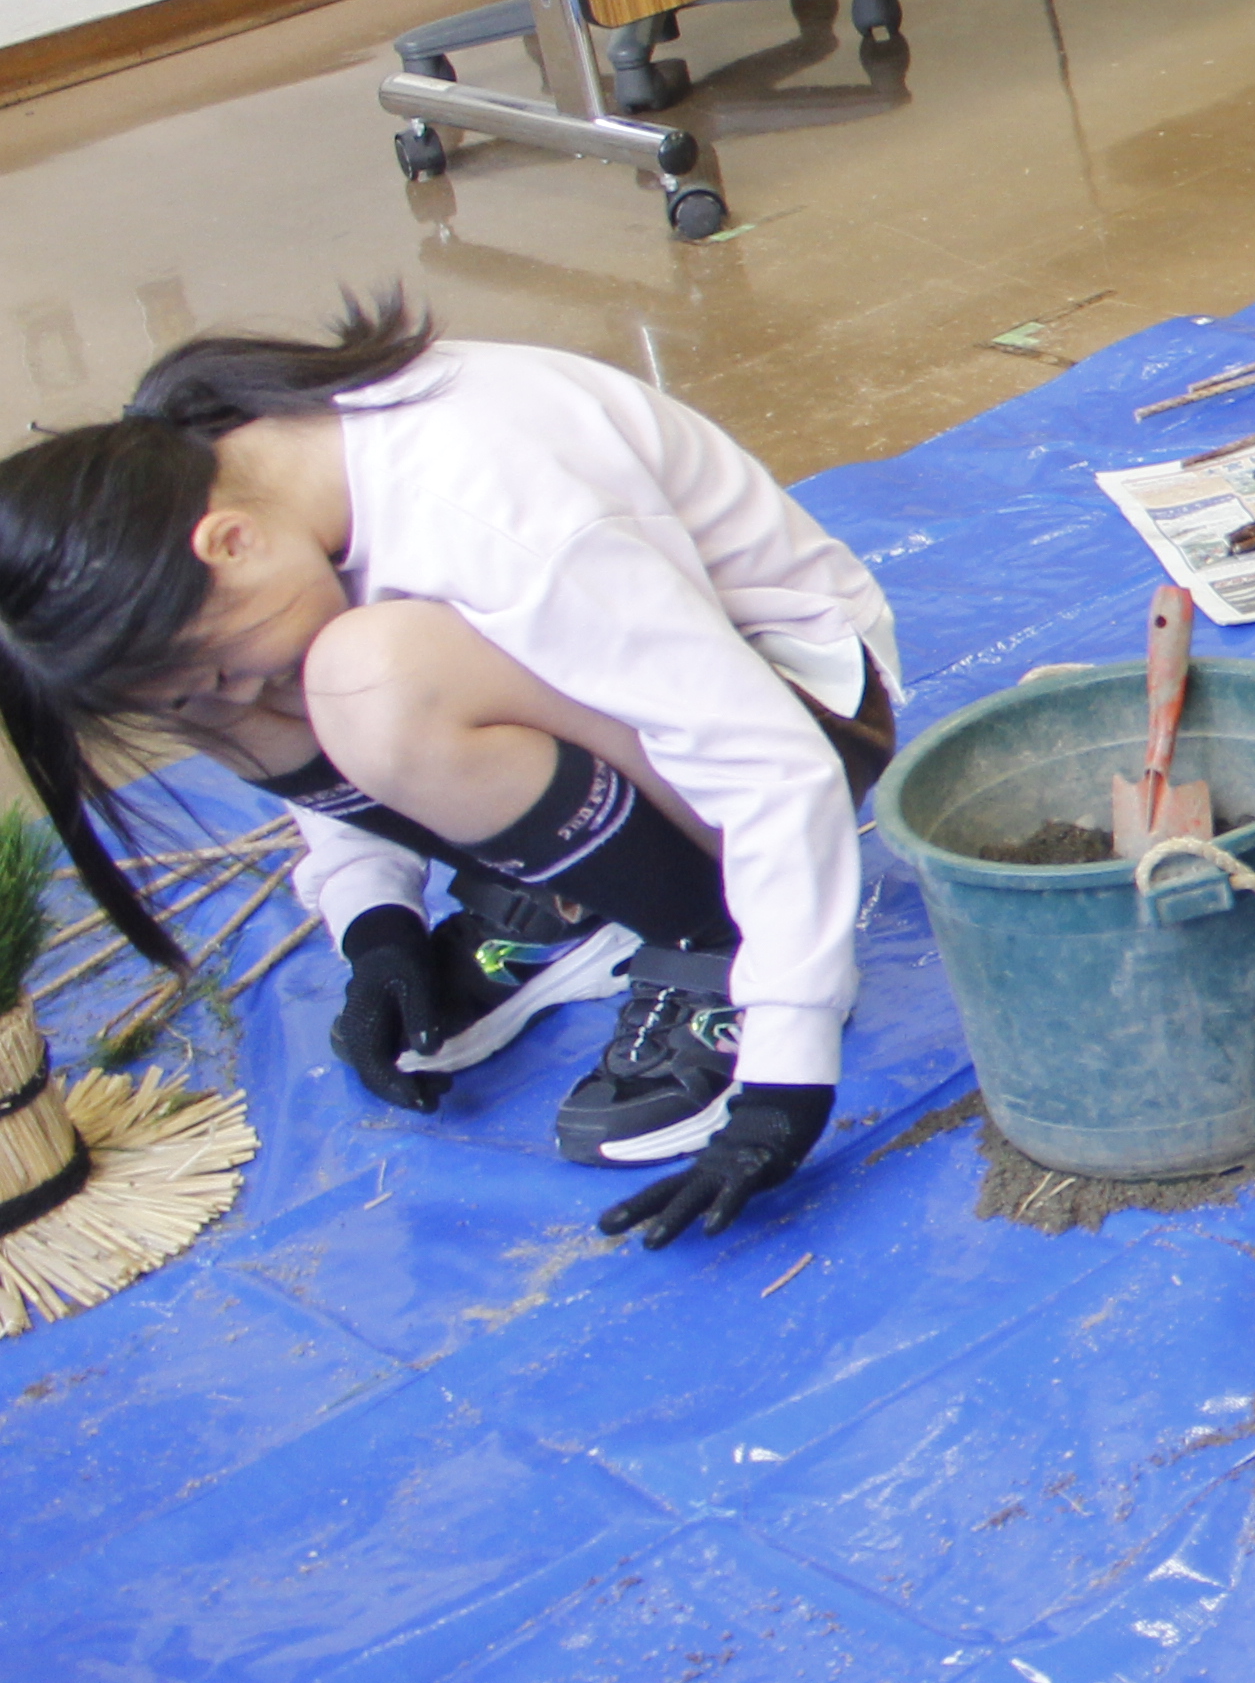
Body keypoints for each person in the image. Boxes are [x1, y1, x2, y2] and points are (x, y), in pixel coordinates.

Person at [0, 300, 902, 1250]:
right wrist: (376, 925)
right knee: (305, 689)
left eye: (222, 670)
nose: (239, 697)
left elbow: (770, 759)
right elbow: (281, 704)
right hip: (623, 708)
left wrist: (785, 1064)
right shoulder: (242, 480)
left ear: (230, 545)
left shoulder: (484, 495)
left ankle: (706, 935)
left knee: (371, 675)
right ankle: (576, 892)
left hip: (801, 711)